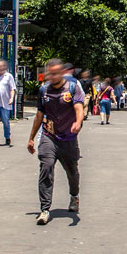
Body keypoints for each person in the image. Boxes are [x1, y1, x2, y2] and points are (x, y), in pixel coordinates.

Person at [27, 59, 84, 225]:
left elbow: (79, 107)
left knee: (72, 171)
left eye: (56, 73)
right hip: (49, 136)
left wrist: (78, 122)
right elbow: (39, 114)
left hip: (68, 139)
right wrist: (31, 137)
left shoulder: (72, 88)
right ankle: (45, 209)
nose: (53, 76)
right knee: (46, 167)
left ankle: (74, 196)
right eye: (50, 73)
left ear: (62, 73)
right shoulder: (44, 90)